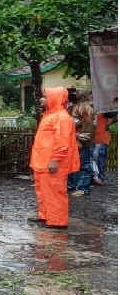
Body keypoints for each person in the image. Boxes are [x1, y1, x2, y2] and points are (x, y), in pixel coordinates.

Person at [29, 87, 80, 229]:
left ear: (54, 98)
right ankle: (45, 216)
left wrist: (55, 160)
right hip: (42, 161)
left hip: (52, 163)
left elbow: (62, 141)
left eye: (45, 96)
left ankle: (57, 221)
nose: (42, 99)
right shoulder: (50, 115)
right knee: (43, 190)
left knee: (55, 192)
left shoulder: (62, 118)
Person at [67, 90, 94, 197]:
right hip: (74, 139)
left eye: (73, 93)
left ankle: (83, 188)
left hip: (80, 141)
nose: (71, 95)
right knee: (72, 163)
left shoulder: (85, 108)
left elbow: (88, 127)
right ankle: (72, 185)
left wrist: (80, 139)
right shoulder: (75, 106)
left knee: (83, 164)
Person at [91, 111, 116, 185]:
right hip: (93, 138)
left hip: (100, 139)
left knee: (98, 158)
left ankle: (99, 177)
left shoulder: (104, 111)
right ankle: (94, 177)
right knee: (92, 158)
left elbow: (114, 114)